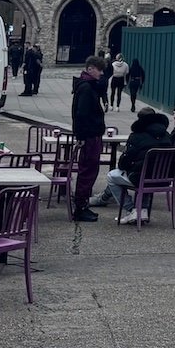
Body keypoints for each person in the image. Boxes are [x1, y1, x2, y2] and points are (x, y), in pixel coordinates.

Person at [90, 107, 174, 224]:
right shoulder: (167, 136)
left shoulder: (137, 136)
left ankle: (132, 209)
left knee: (112, 176)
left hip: (141, 178)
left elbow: (124, 162)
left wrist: (126, 166)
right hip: (164, 179)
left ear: (140, 120)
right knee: (145, 171)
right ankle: (141, 210)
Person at [70, 55, 107, 223]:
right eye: (99, 70)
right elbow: (81, 114)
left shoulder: (88, 86)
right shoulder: (86, 88)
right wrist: (82, 136)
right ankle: (80, 207)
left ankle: (82, 205)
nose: (101, 74)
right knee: (87, 171)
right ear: (91, 69)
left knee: (90, 170)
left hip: (91, 134)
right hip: (90, 136)